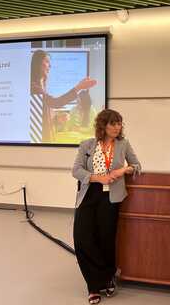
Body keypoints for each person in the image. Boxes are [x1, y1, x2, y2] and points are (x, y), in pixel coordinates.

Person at [72, 109, 141, 304]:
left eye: (119, 123)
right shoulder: (87, 144)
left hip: (111, 197)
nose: (117, 127)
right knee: (83, 239)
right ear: (103, 125)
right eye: (112, 123)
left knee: (106, 240)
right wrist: (97, 177)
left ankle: (106, 278)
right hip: (89, 195)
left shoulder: (123, 144)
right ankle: (93, 283)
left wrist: (124, 169)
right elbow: (76, 170)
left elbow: (137, 165)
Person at [30, 49, 97, 143]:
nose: (50, 66)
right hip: (39, 140)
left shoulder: (41, 86)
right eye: (47, 61)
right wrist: (79, 87)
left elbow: (43, 118)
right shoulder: (34, 87)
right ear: (38, 64)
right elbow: (55, 103)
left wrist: (57, 119)